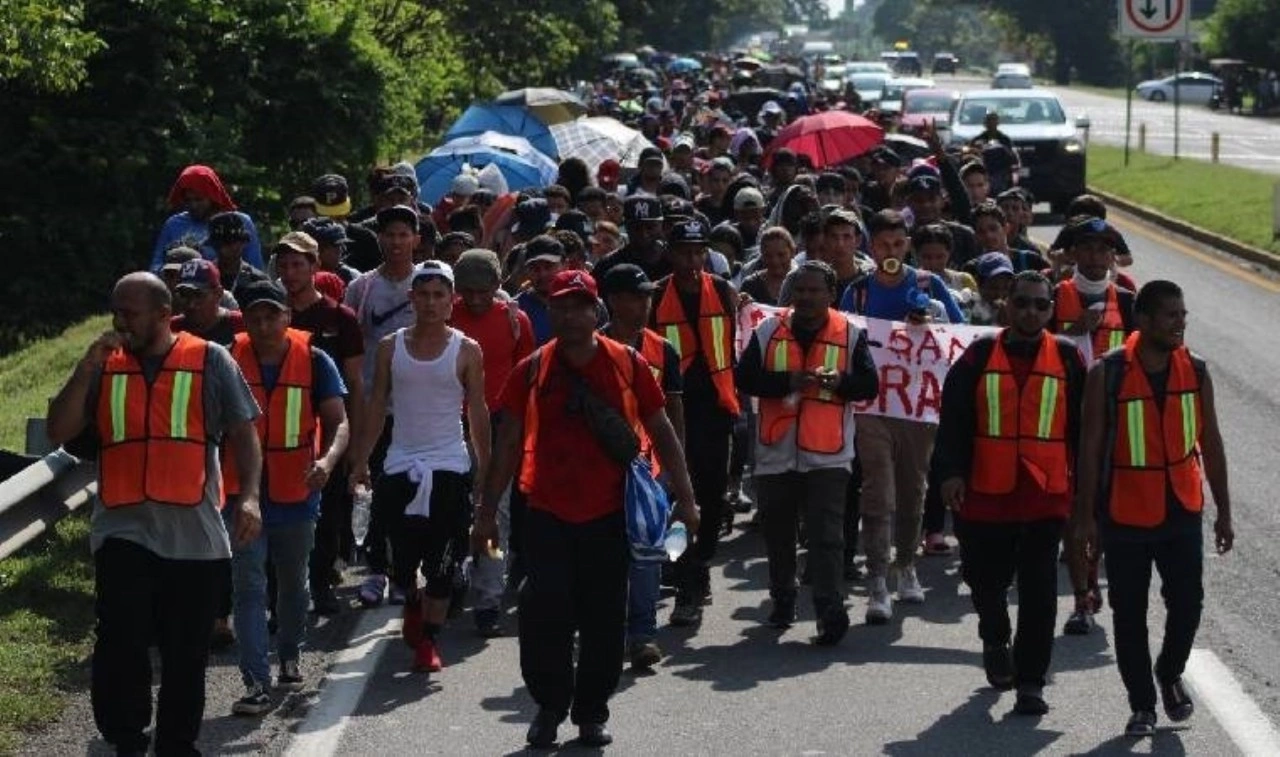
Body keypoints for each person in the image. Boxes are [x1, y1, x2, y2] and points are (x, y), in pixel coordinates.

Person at [480, 269, 699, 749]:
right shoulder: (533, 370)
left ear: (595, 311)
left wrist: (686, 499)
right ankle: (549, 707)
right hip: (546, 511)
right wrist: (485, 512)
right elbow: (508, 442)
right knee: (544, 615)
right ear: (550, 312)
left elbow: (662, 430)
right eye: (560, 306)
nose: (569, 314)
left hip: (609, 513)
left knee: (603, 618)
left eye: (579, 306)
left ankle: (591, 712)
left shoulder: (629, 364)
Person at [45, 272, 262, 756]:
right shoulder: (104, 365)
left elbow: (245, 431)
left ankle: (175, 744)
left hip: (194, 535)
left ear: (164, 315)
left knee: (186, 653)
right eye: (115, 311)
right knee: (121, 640)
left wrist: (249, 496)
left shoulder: (210, 360)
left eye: (130, 313)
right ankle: (126, 737)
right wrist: (86, 367)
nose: (119, 322)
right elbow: (59, 430)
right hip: (123, 528)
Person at [1073, 280, 1233, 738]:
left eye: (1183, 315)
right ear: (1143, 321)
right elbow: (1090, 449)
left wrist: (1223, 509)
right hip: (1124, 510)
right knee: (1129, 612)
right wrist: (1084, 518)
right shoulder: (1109, 373)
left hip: (1182, 506)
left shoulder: (1197, 370)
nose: (1180, 323)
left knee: (1188, 602)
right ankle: (1142, 703)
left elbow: (1212, 442)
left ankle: (1169, 670)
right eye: (1171, 315)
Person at [934, 271, 1087, 715]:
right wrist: (949, 474)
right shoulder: (980, 354)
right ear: (1008, 305)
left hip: (1045, 496)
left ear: (1051, 311)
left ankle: (1031, 682)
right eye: (1023, 302)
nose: (1031, 312)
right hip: (985, 494)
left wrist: (1086, 491)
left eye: (1041, 305)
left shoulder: (1067, 357)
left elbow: (1082, 429)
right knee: (987, 584)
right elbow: (954, 420)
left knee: (1039, 591)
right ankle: (994, 634)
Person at [351, 262, 490, 673]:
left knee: (443, 561)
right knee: (401, 559)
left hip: (448, 462)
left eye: (439, 295)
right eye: (423, 294)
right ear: (411, 299)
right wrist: (361, 459)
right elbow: (378, 405)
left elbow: (477, 411)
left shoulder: (467, 350)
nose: (430, 303)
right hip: (401, 462)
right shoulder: (391, 346)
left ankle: (429, 640)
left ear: (451, 301)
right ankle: (413, 604)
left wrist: (484, 466)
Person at [222, 280, 348, 714]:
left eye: (271, 315)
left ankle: (290, 652)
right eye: (253, 317)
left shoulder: (315, 360)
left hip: (297, 492)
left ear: (287, 317)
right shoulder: (226, 360)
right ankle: (255, 682)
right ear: (244, 320)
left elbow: (338, 421)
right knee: (249, 586)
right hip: (241, 493)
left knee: (293, 584)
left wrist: (328, 462)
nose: (262, 325)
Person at [737, 261, 879, 644]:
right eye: (800, 291)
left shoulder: (850, 334)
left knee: (826, 537)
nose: (807, 298)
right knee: (779, 535)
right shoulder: (768, 330)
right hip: (774, 453)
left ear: (831, 295)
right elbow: (744, 378)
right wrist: (786, 381)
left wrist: (841, 383)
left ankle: (828, 611)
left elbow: (869, 386)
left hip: (827, 456)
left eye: (815, 291)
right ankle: (783, 600)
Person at [839, 210, 959, 622]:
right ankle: (876, 582)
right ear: (872, 248)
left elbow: (959, 339)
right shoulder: (855, 293)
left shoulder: (929, 285)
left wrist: (931, 322)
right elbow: (843, 339)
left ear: (906, 245)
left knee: (912, 495)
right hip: (872, 408)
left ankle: (905, 566)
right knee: (878, 494)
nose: (890, 252)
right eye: (883, 245)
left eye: (897, 245)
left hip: (917, 409)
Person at [650, 218, 740, 628]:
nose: (691, 260)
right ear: (670, 253)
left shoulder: (722, 291)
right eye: (683, 251)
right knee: (678, 499)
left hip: (717, 410)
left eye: (698, 251)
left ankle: (698, 562)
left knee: (712, 495)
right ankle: (686, 578)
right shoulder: (654, 298)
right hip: (671, 413)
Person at [598, 263, 685, 670]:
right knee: (605, 556)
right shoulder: (590, 347)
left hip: (648, 469)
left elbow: (673, 413)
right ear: (613, 301)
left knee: (648, 555)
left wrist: (674, 471)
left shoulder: (662, 349)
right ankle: (603, 632)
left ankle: (643, 636)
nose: (644, 304)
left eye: (647, 296)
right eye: (636, 296)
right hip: (599, 469)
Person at [275, 232, 366, 616]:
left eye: (298, 264)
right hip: (277, 430)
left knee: (328, 513)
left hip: (328, 429)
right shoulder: (271, 313)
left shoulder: (340, 319)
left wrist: (357, 446)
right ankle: (281, 592)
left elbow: (356, 385)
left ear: (315, 267)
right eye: (284, 265)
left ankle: (322, 580)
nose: (290, 273)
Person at [450, 248, 535, 636]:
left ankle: (487, 598)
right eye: (468, 291)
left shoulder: (516, 321)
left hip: (501, 426)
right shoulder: (445, 314)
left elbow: (528, 377)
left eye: (485, 291)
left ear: (499, 287)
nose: (476, 299)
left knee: (494, 510)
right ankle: (451, 577)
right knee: (453, 509)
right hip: (452, 423)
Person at [343, 205, 423, 607]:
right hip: (376, 406)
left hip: (419, 409)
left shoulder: (429, 281)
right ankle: (376, 570)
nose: (396, 241)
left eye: (403, 234)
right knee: (374, 490)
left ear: (416, 239)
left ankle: (406, 572)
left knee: (412, 493)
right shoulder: (362, 289)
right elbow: (351, 343)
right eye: (389, 234)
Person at [151, 164, 264, 271]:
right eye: (188, 200)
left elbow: (256, 266)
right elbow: (156, 266)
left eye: (199, 199)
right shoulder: (173, 224)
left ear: (213, 198)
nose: (193, 205)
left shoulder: (238, 222)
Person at [591, 196, 671, 284]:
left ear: (661, 225)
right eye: (636, 228)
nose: (644, 234)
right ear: (626, 227)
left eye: (650, 227)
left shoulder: (676, 259)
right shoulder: (608, 265)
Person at [171, 259, 245, 347]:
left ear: (218, 294)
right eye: (184, 295)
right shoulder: (170, 328)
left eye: (198, 295)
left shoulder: (242, 325)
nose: (191, 304)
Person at [207, 212, 270, 303]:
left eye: (231, 243)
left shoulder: (257, 280)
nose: (224, 249)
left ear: (243, 243)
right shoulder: (204, 277)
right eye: (220, 244)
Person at [514, 235, 566, 346]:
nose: (543, 274)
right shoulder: (515, 309)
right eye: (535, 268)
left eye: (549, 266)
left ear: (564, 265)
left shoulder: (587, 304)